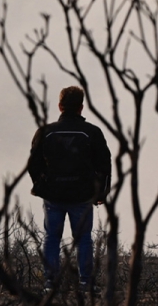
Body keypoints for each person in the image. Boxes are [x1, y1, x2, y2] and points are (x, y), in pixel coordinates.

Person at [27, 86, 111, 291]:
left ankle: (50, 283)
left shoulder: (45, 132)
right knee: (83, 239)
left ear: (60, 106)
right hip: (82, 195)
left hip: (53, 195)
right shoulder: (92, 132)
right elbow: (104, 165)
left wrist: (41, 185)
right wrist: (101, 192)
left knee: (51, 238)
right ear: (81, 107)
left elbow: (33, 164)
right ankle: (85, 283)